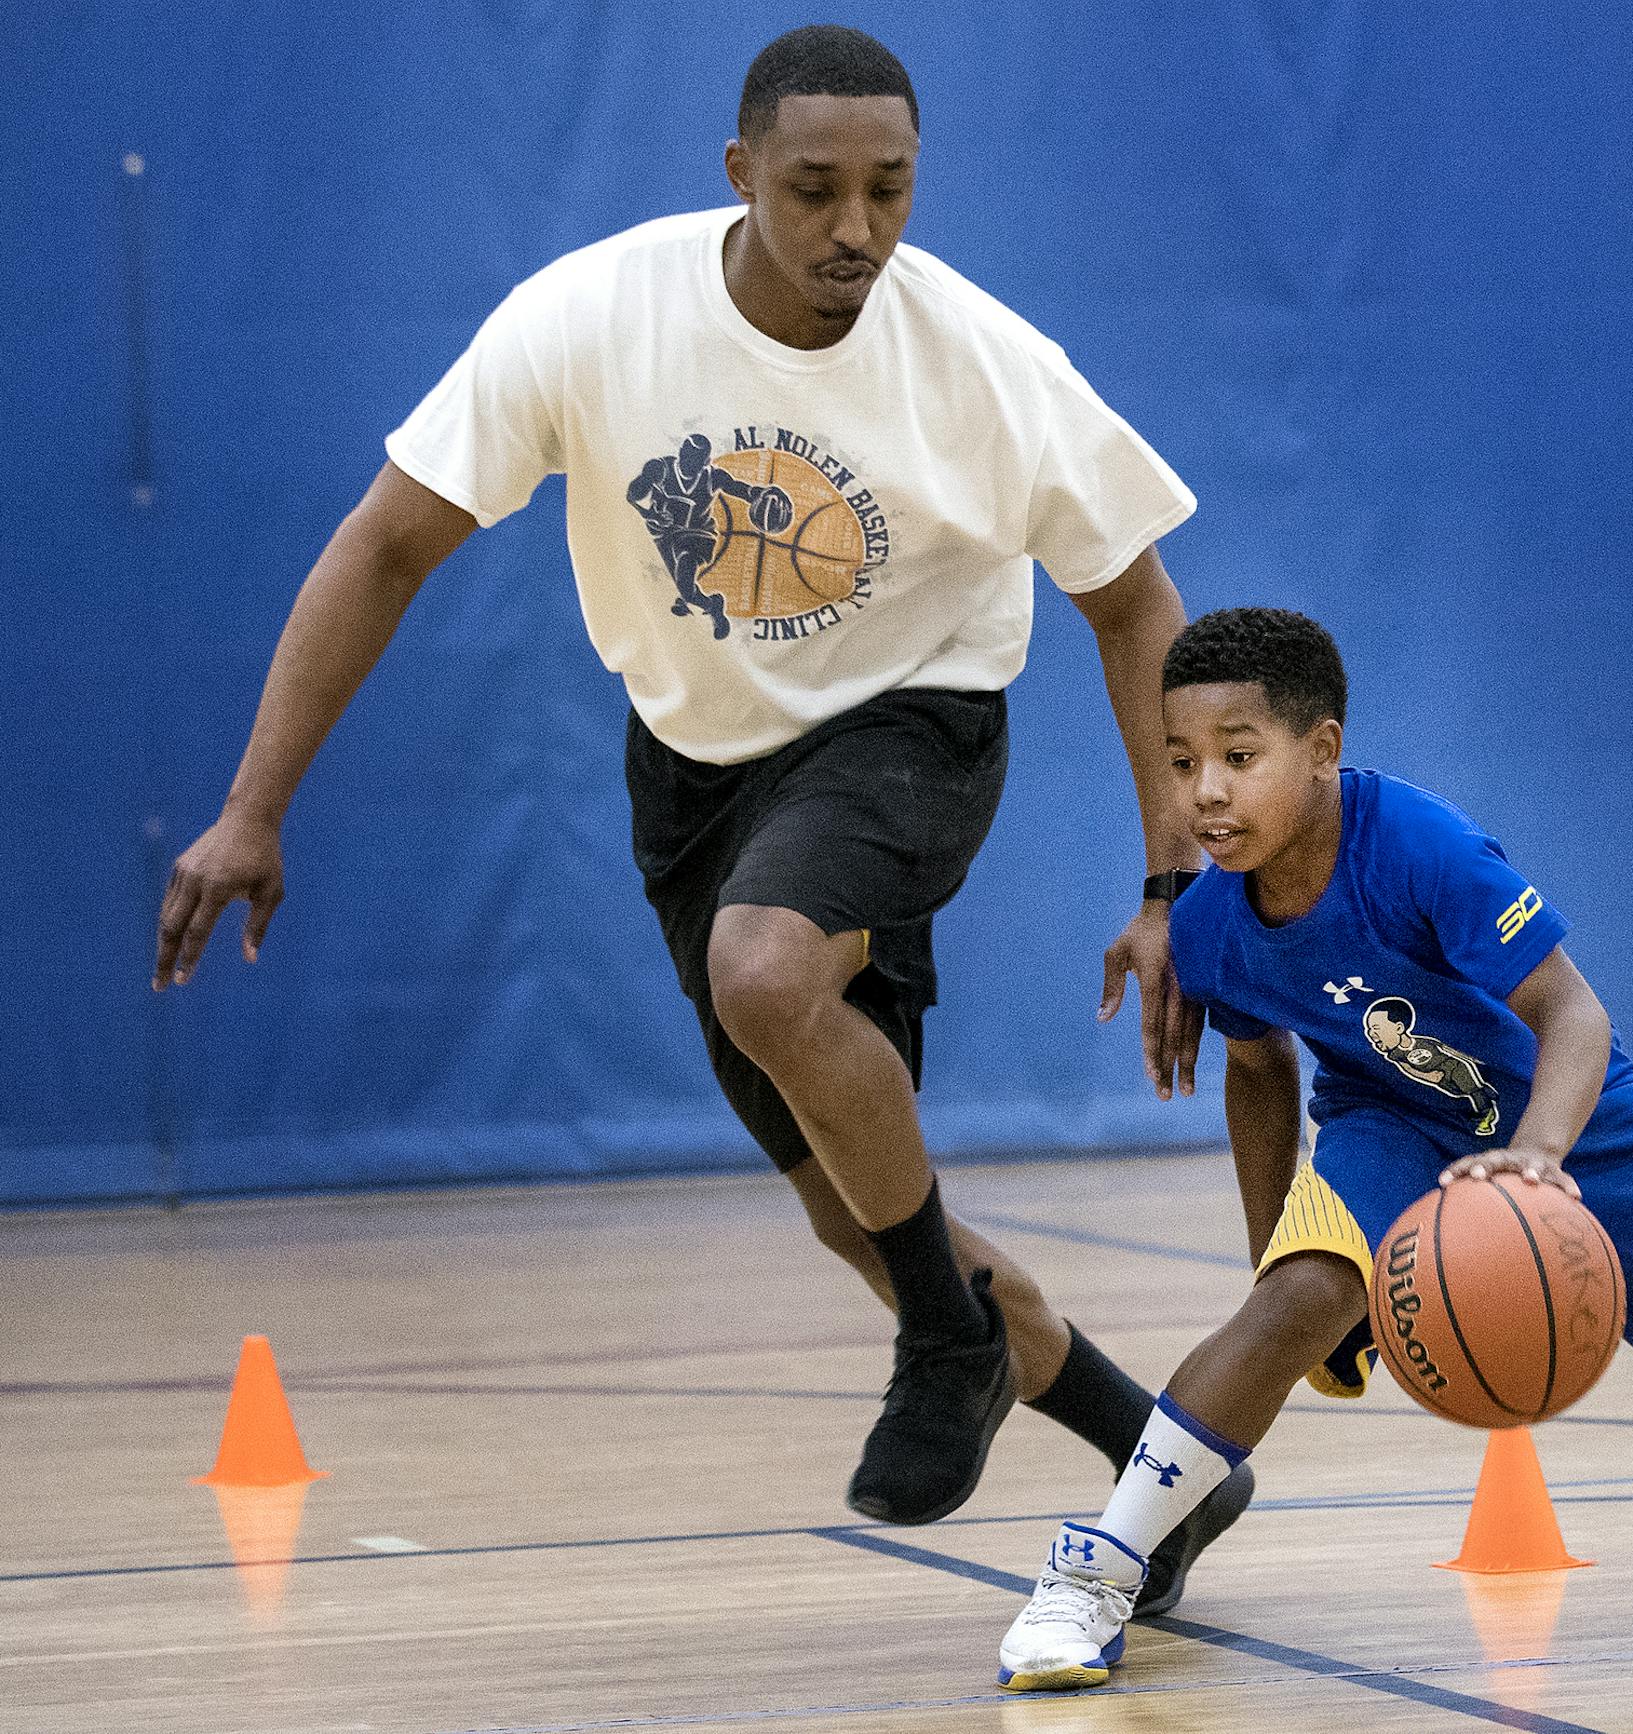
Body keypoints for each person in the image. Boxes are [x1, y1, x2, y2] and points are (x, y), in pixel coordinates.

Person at [150, 25, 1252, 1612]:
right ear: (738, 175)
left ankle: (945, 1344)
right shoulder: (592, 317)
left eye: (890, 190)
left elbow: (1136, 598)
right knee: (862, 1216)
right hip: (695, 770)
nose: (856, 229)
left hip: (913, 721)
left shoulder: (988, 365)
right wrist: (253, 808)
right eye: (814, 190)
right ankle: (1160, 1461)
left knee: (765, 970)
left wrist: (1173, 876)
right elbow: (387, 542)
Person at [996, 607, 1633, 1690]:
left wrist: (1538, 1156)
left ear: (1323, 751)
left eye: (1239, 759)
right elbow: (1257, 1074)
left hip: (1569, 1112)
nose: (1205, 791)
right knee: (1288, 1304)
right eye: (1182, 761)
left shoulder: (1421, 847)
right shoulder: (1207, 927)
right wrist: (1277, 1261)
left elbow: (1573, 1015)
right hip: (1389, 1123)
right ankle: (1097, 1574)